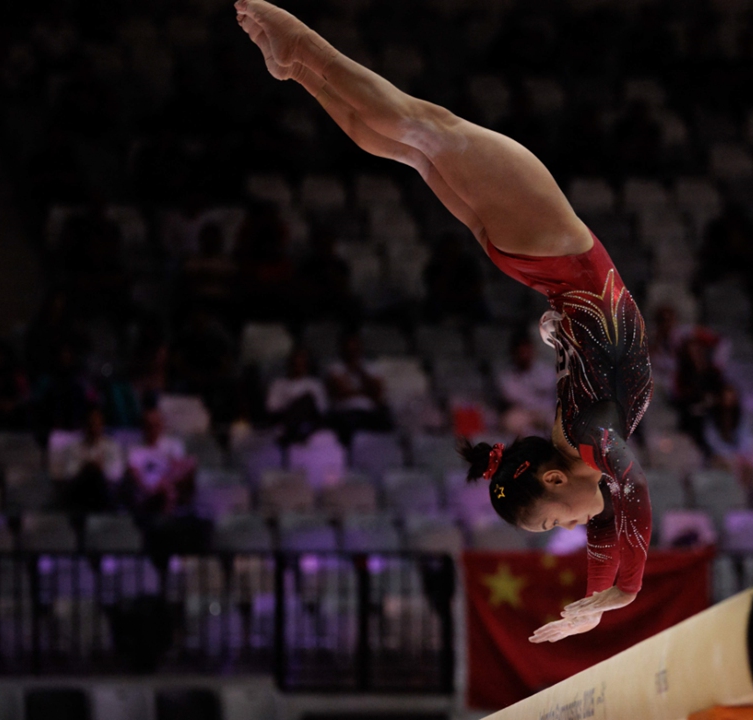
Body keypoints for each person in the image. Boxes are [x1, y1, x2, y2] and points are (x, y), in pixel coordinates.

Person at [235, 0, 653, 642]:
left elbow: (621, 503)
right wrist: (605, 596)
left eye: (552, 524)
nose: (570, 530)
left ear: (551, 476)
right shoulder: (587, 438)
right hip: (547, 258)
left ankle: (303, 58)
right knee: (412, 139)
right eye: (555, 526)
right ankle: (301, 59)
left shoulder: (590, 439)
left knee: (419, 136)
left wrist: (616, 591)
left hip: (551, 255)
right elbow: (621, 504)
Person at [124, 407, 196, 519]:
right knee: (165, 492)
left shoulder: (173, 445)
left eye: (156, 425)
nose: (153, 429)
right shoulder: (135, 450)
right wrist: (151, 488)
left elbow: (180, 467)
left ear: (162, 425)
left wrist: (164, 483)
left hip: (169, 485)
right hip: (147, 492)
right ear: (143, 427)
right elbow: (135, 474)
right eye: (149, 425)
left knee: (191, 463)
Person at [51, 405, 124, 514]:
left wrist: (100, 468)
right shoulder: (73, 447)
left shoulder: (112, 447)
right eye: (91, 424)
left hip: (104, 491)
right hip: (79, 491)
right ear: (85, 425)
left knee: (98, 477)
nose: (94, 428)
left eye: (97, 424)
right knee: (90, 472)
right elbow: (69, 473)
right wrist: (87, 467)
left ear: (102, 425)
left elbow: (116, 474)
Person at [325, 329, 390, 444]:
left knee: (387, 421)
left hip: (369, 413)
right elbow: (341, 393)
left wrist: (360, 372)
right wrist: (366, 391)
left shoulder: (371, 367)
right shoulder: (335, 367)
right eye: (348, 347)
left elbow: (377, 393)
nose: (352, 350)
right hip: (345, 413)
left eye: (354, 347)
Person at [495, 330, 557, 437]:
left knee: (559, 422)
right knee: (511, 422)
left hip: (545, 411)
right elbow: (511, 397)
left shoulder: (546, 370)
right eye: (520, 352)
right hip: (523, 412)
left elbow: (550, 389)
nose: (524, 354)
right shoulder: (507, 375)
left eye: (526, 350)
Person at [267, 345, 327, 446]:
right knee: (302, 403)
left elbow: (322, 409)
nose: (298, 366)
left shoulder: (315, 384)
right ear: (290, 363)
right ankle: (292, 431)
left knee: (307, 400)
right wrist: (294, 404)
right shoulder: (279, 384)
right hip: (284, 418)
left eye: (302, 363)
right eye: (296, 363)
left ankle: (292, 432)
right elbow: (272, 407)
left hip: (310, 421)